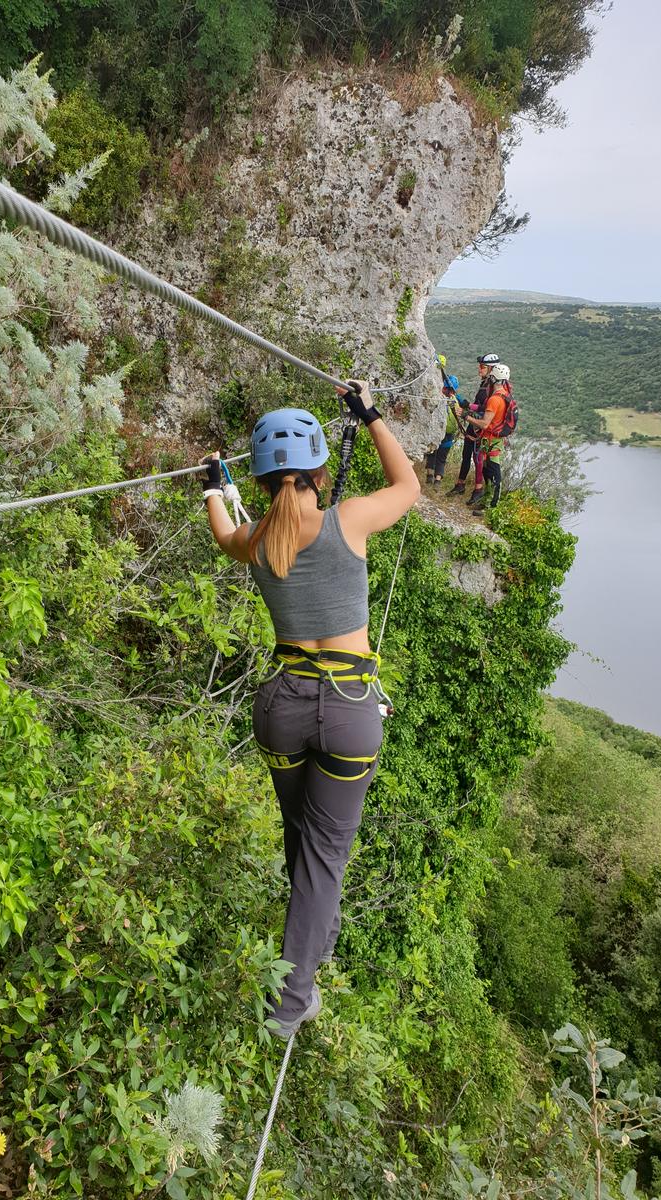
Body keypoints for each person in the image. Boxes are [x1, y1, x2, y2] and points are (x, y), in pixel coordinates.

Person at [199, 381, 419, 1037]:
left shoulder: (256, 540)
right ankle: (291, 1005)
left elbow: (220, 529)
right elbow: (408, 487)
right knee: (324, 853)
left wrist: (214, 483)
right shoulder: (347, 519)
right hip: (350, 711)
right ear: (321, 471)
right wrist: (370, 414)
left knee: (306, 837)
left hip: (284, 706)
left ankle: (313, 946)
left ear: (262, 482)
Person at [461, 363, 511, 509]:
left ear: (494, 379)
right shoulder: (504, 395)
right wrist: (469, 407)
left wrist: (466, 416)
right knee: (488, 470)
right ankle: (487, 501)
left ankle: (492, 505)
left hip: (491, 441)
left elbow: (484, 423)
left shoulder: (494, 399)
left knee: (493, 473)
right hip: (493, 440)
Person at [450, 352, 499, 496]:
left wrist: (468, 408)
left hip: (480, 426)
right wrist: (468, 406)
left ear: (491, 369)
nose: (479, 369)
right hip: (474, 422)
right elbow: (480, 406)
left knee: (478, 458)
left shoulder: (492, 389)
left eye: (482, 367)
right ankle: (460, 484)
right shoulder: (485, 384)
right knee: (466, 454)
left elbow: (485, 409)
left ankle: (478, 489)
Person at [426, 374, 464, 486]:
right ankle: (437, 481)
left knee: (432, 453)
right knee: (441, 459)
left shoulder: (438, 398)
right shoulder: (457, 401)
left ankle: (429, 477)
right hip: (449, 435)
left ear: (445, 387)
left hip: (436, 433)